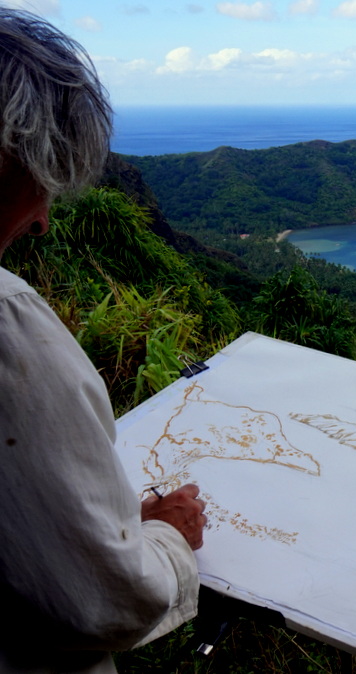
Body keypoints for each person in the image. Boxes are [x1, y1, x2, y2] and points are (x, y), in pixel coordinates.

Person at [0, 8, 207, 672]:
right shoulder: (8, 329)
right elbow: (104, 600)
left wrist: (109, 519)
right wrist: (167, 538)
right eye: (45, 177)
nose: (43, 217)